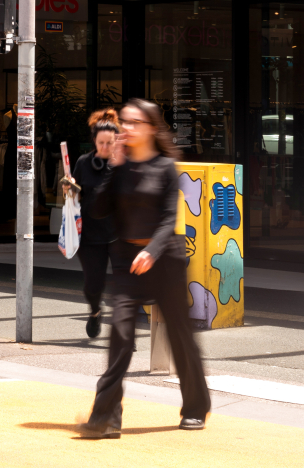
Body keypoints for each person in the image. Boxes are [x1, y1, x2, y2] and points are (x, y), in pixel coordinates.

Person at [81, 98, 210, 438]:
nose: (126, 127)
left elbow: (170, 217)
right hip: (127, 260)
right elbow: (97, 209)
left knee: (180, 335)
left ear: (151, 128)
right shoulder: (120, 166)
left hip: (165, 260)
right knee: (121, 333)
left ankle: (196, 407)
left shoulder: (165, 166)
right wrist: (113, 166)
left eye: (134, 122)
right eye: (124, 121)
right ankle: (105, 416)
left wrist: (152, 251)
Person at [62, 108, 125, 339]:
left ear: (117, 141)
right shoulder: (83, 162)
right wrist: (68, 188)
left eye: (110, 143)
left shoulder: (124, 164)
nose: (105, 147)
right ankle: (95, 311)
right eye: (101, 143)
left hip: (120, 234)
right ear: (94, 142)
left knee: (124, 286)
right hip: (90, 234)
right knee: (93, 285)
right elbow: (74, 196)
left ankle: (124, 332)